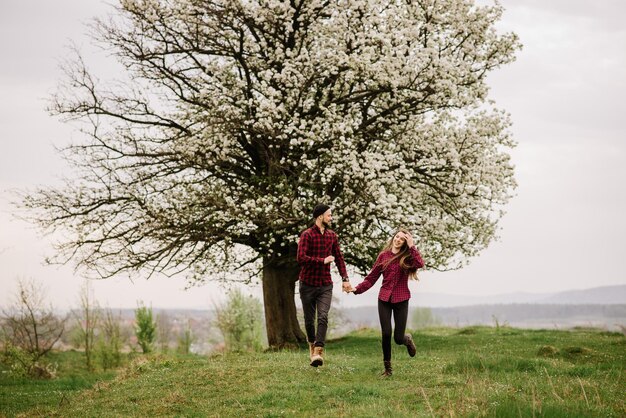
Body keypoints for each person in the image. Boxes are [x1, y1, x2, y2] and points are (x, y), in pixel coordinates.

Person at [346, 228, 424, 376]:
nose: (398, 240)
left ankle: (407, 339)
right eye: (397, 236)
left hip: (401, 299)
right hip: (384, 299)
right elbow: (371, 278)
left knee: (398, 338)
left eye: (402, 239)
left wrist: (412, 245)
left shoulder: (408, 257)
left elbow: (420, 264)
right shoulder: (383, 256)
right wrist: (356, 289)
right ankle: (387, 369)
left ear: (405, 242)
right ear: (393, 237)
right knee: (386, 333)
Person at [297, 204, 352, 367]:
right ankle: (312, 346)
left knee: (322, 316)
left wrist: (345, 278)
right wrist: (322, 260)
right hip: (307, 284)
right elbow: (300, 258)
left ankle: (318, 351)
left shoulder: (332, 236)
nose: (331, 218)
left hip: (325, 285)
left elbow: (339, 258)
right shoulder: (306, 235)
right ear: (320, 216)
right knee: (309, 320)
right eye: (329, 215)